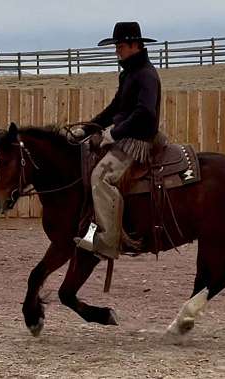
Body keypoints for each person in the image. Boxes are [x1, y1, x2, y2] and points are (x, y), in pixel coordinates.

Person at [73, 21, 162, 259]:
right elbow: (115, 108)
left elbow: (145, 113)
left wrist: (115, 133)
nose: (117, 51)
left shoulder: (146, 75)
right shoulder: (130, 74)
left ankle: (108, 242)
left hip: (138, 140)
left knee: (101, 177)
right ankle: (91, 229)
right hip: (126, 134)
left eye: (120, 46)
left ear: (135, 45)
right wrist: (88, 128)